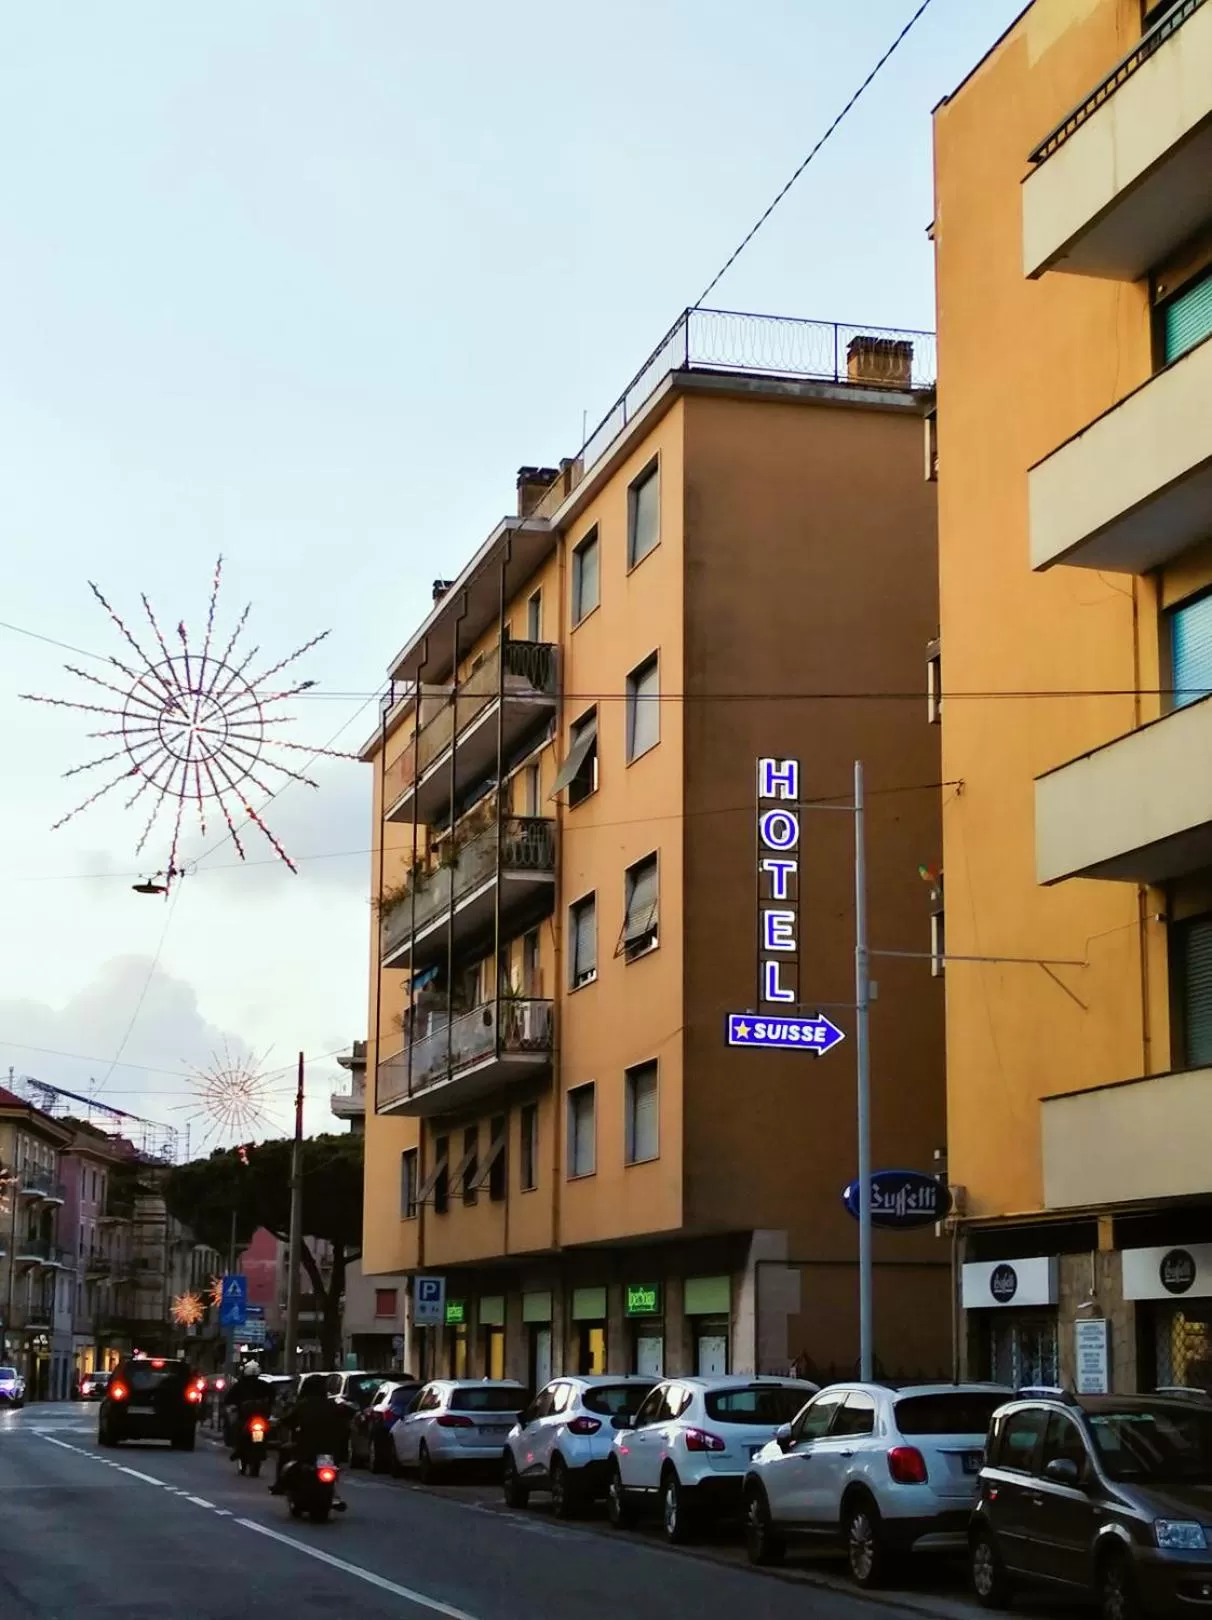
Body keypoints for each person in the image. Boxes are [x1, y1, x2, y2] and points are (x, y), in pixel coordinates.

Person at [270, 1373, 346, 1497]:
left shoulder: (303, 1405)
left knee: (284, 1451)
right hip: (330, 1449)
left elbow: (287, 1420)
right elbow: (343, 1424)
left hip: (306, 1448)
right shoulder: (332, 1405)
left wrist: (280, 1422)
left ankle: (280, 1485)